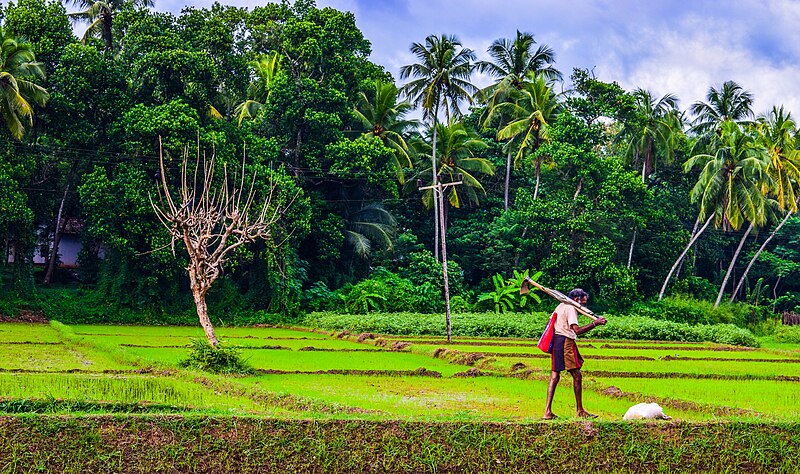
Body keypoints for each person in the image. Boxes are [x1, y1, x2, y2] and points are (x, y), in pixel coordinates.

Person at [543, 288, 606, 420]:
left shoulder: (560, 306)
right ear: (577, 299)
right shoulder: (571, 308)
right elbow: (576, 330)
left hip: (557, 341)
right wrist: (595, 323)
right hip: (566, 342)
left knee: (555, 375)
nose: (583, 306)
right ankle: (580, 410)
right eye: (583, 302)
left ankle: (547, 411)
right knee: (577, 376)